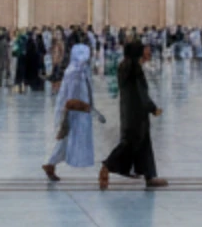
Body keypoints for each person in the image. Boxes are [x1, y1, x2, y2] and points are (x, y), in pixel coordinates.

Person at [101, 36, 165, 188]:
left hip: (129, 111)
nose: (147, 51)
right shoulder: (134, 68)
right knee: (129, 144)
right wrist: (153, 108)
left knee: (143, 144)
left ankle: (150, 177)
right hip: (136, 113)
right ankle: (106, 166)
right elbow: (140, 93)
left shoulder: (125, 65)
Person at [42, 41, 98, 180]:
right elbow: (70, 99)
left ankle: (51, 164)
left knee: (67, 141)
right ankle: (50, 164)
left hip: (78, 112)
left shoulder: (80, 71)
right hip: (73, 112)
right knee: (66, 139)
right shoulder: (75, 72)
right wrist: (83, 107)